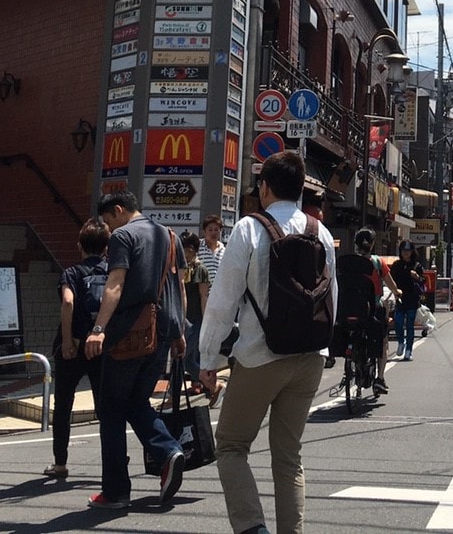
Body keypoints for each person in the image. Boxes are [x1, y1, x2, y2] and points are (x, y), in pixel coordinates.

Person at [197, 150, 338, 534]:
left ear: (265, 186)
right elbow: (331, 299)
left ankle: (251, 528)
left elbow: (223, 302)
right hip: (309, 357)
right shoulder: (320, 232)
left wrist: (208, 359)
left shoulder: (248, 229)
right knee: (289, 456)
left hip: (260, 356)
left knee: (230, 445)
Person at [83, 189, 187, 511]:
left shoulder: (124, 237)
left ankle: (116, 491)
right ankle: (168, 451)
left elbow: (114, 284)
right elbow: (179, 286)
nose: (108, 229)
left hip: (129, 334)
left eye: (108, 221)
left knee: (112, 410)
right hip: (163, 334)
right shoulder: (170, 236)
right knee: (137, 401)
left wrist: (98, 329)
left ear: (118, 210)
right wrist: (181, 331)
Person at [44, 216, 110, 479]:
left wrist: (69, 340)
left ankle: (60, 463)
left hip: (72, 348)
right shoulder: (113, 274)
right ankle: (112, 462)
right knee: (105, 407)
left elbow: (68, 303)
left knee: (63, 405)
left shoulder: (71, 273)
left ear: (79, 245)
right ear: (106, 248)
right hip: (101, 345)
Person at [334, 227, 392, 393]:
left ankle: (349, 367)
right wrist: (398, 293)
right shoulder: (377, 263)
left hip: (347, 308)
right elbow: (392, 286)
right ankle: (379, 378)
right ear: (372, 244)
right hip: (370, 310)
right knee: (383, 341)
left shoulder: (345, 261)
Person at [180, 231, 210, 392]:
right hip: (182, 319)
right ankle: (214, 385)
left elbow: (203, 296)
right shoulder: (180, 268)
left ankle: (173, 394)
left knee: (181, 357)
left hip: (195, 320)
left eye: (184, 248)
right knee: (189, 361)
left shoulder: (200, 269)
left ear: (192, 250)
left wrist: (206, 322)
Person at [389, 241, 425, 361]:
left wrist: (417, 277)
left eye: (408, 251)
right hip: (400, 298)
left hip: (412, 299)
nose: (406, 253)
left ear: (412, 252)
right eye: (404, 251)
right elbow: (390, 279)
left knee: (410, 325)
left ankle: (409, 350)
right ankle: (401, 342)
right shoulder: (396, 265)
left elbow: (423, 281)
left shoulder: (417, 266)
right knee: (398, 323)